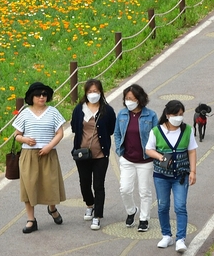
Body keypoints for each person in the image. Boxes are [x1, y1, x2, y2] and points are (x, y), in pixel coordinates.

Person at [13, 82, 66, 234]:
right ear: (32, 97)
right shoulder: (24, 113)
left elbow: (60, 133)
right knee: (29, 186)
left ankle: (52, 208)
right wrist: (25, 140)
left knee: (50, 184)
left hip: (48, 153)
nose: (42, 97)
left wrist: (50, 146)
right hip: (29, 154)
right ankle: (31, 220)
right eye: (38, 94)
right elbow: (16, 135)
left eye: (44, 94)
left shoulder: (53, 112)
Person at [145, 100, 197, 253]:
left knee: (180, 206)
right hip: (161, 176)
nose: (179, 118)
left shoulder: (188, 130)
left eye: (181, 115)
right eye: (175, 114)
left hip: (181, 175)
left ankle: (180, 239)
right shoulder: (156, 131)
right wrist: (160, 157)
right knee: (163, 206)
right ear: (167, 115)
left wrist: (193, 171)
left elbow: (192, 151)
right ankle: (166, 234)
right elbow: (149, 149)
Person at [70, 79, 116, 231]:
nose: (93, 94)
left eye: (96, 91)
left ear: (101, 92)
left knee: (98, 185)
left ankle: (98, 216)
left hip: (100, 154)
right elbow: (74, 127)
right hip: (82, 154)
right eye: (90, 92)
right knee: (84, 183)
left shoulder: (107, 110)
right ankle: (90, 205)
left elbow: (110, 129)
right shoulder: (79, 109)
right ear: (86, 93)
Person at [115, 84, 157, 232]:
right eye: (126, 99)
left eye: (131, 99)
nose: (128, 102)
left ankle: (144, 219)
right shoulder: (122, 114)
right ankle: (131, 210)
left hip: (145, 160)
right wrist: (119, 151)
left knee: (144, 191)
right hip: (127, 159)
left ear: (139, 99)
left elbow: (156, 136)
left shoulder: (150, 115)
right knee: (125, 189)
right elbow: (117, 133)